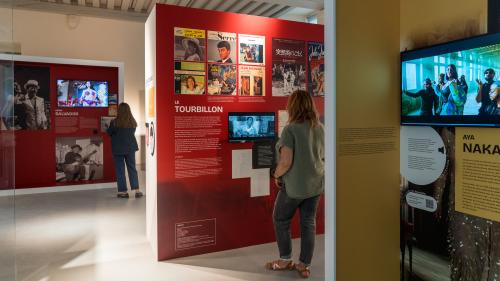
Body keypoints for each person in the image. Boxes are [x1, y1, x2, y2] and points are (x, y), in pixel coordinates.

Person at [266, 90, 324, 279]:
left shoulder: (290, 129)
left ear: (293, 106)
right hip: (315, 184)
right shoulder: (320, 127)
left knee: (280, 219)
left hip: (294, 186)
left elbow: (285, 161)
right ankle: (304, 265)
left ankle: (284, 260)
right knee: (308, 223)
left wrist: (276, 174)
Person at [106, 102, 142, 198]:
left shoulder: (114, 122)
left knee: (120, 170)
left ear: (119, 111)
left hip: (118, 149)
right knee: (132, 169)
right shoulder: (132, 122)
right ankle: (137, 190)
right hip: (130, 148)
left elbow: (109, 133)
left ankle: (123, 192)